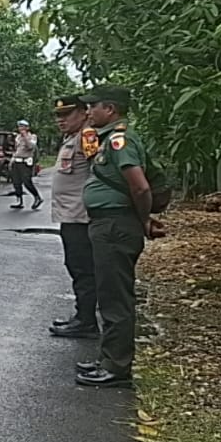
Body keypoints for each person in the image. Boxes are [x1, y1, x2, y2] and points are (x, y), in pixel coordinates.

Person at [77, 85, 161, 388]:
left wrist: (143, 220)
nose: (88, 112)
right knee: (109, 293)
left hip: (115, 226)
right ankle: (108, 358)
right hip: (109, 224)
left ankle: (117, 367)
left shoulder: (119, 141)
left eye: (93, 106)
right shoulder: (107, 140)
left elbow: (139, 187)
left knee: (116, 298)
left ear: (110, 109)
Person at [48, 95, 98, 340]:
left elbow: (98, 172)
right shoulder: (72, 138)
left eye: (66, 114)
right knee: (76, 266)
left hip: (81, 216)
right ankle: (83, 317)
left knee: (83, 269)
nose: (61, 120)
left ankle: (86, 320)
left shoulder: (88, 137)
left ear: (84, 112)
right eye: (58, 115)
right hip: (70, 216)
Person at [9, 119, 42, 209]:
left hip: (26, 163)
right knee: (16, 182)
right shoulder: (18, 137)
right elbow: (16, 150)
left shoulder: (32, 137)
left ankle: (37, 197)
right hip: (17, 161)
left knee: (27, 182)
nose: (21, 128)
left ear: (27, 128)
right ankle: (19, 201)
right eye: (20, 126)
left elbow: (31, 147)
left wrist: (25, 137)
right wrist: (12, 160)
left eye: (23, 127)